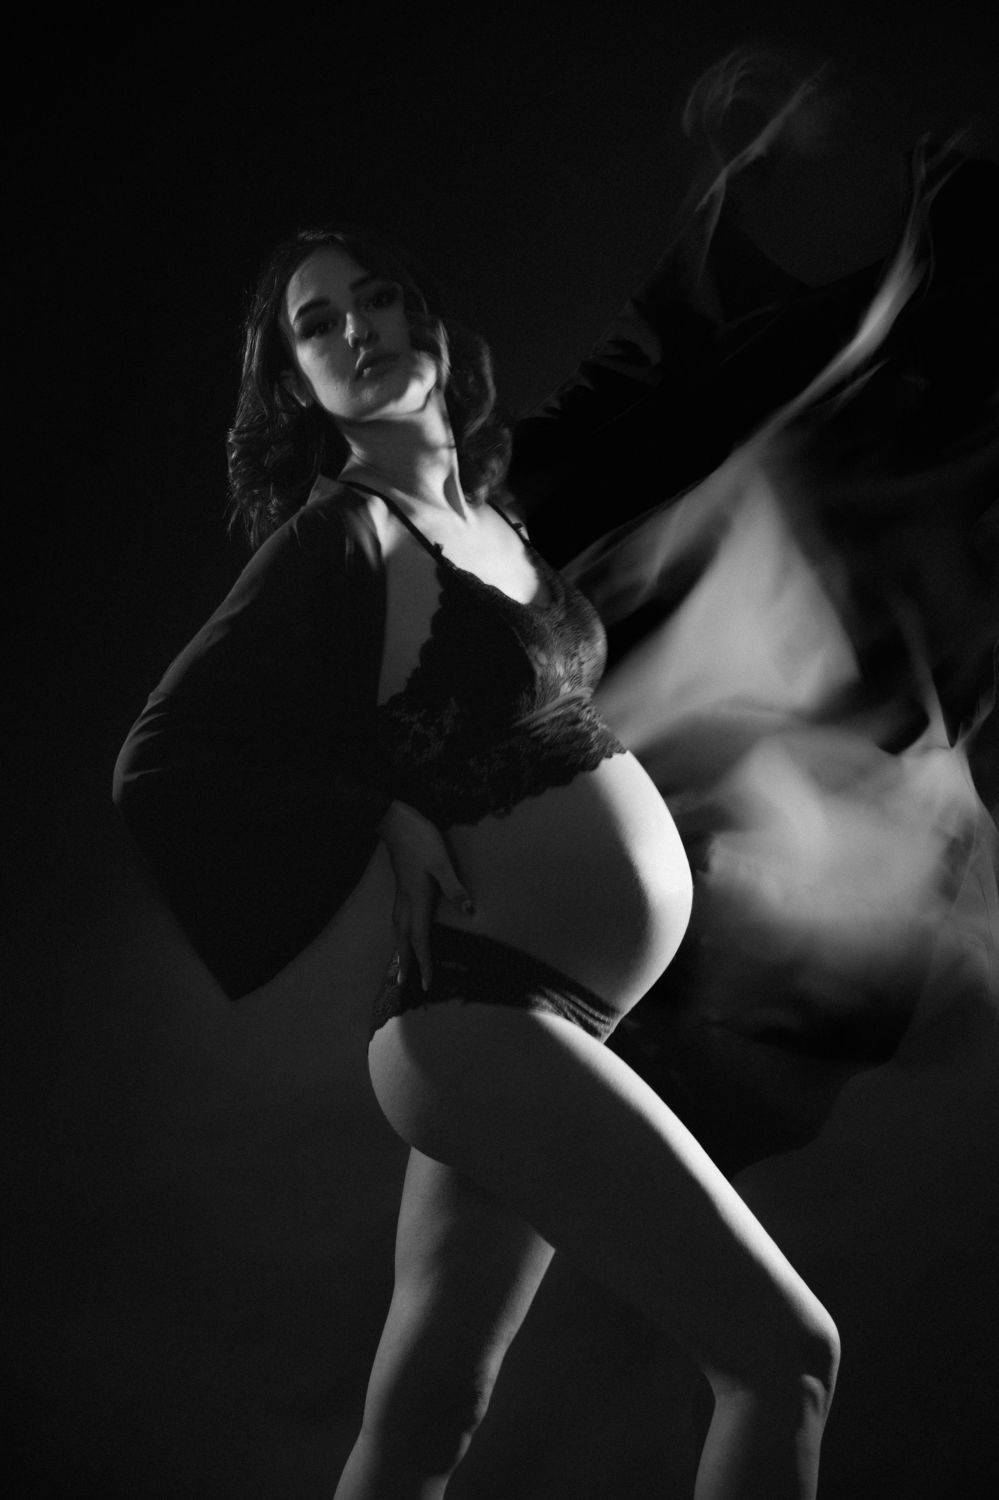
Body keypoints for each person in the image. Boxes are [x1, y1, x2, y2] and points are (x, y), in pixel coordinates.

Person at [113, 64, 842, 1500]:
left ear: (429, 321)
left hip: (546, 1020)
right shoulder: (344, 542)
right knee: (785, 1355)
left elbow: (652, 366)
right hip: (479, 1024)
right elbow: (162, 758)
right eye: (316, 326)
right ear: (300, 385)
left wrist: (733, 193)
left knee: (425, 1418)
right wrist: (373, 814)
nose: (357, 331)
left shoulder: (495, 518)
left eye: (375, 299)